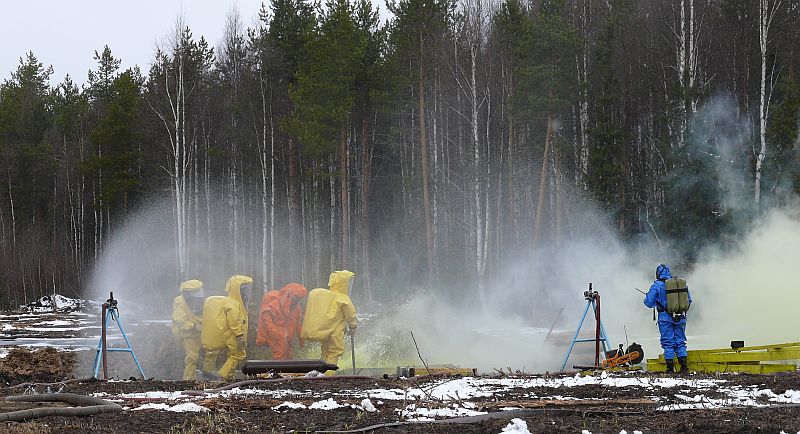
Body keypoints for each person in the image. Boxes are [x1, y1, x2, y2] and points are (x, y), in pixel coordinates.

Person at [301, 270, 357, 374]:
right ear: (344, 283)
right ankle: (328, 375)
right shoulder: (343, 298)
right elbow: (351, 316)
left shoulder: (324, 295)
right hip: (335, 331)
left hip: (325, 330)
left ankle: (320, 373)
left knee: (325, 351)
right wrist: (353, 326)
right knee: (335, 352)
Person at [201, 275, 253, 380]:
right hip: (231, 334)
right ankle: (223, 376)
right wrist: (239, 335)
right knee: (239, 354)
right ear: (237, 289)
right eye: (243, 289)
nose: (246, 293)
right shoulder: (233, 304)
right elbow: (234, 322)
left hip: (226, 333)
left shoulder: (230, 302)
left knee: (214, 352)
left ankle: (208, 372)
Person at [644, 264, 692, 374]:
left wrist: (650, 298)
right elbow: (689, 300)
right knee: (680, 342)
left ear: (658, 273)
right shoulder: (679, 284)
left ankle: (670, 369)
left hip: (665, 318)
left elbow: (648, 303)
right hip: (680, 317)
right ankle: (684, 367)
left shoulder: (657, 285)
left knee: (668, 342)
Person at [256, 283, 308, 360]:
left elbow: (298, 324)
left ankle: (285, 371)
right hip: (277, 336)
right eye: (296, 298)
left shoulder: (296, 308)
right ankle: (278, 371)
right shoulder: (276, 303)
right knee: (279, 355)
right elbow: (266, 316)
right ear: (290, 296)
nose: (297, 300)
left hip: (286, 337)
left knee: (288, 355)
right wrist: (274, 331)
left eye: (299, 298)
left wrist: (302, 339)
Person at [172, 279, 205, 380]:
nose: (198, 295)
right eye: (196, 292)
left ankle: (197, 377)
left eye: (199, 291)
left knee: (209, 354)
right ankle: (187, 381)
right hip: (188, 335)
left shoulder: (198, 302)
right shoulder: (181, 303)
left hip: (199, 334)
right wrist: (194, 326)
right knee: (192, 357)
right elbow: (179, 321)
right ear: (188, 294)